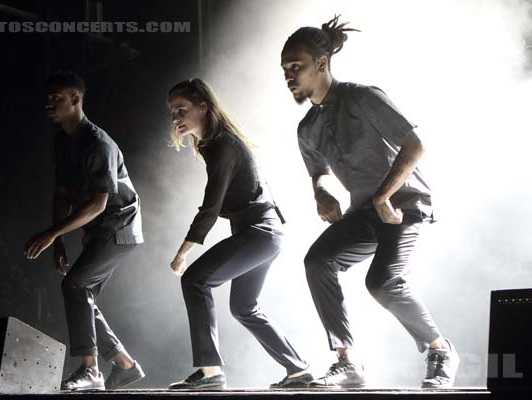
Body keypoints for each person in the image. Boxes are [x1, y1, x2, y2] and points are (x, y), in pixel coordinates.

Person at [280, 16, 459, 389]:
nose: (289, 75)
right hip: (364, 211)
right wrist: (321, 192)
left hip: (404, 206)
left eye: (296, 66)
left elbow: (416, 144)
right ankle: (348, 363)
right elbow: (318, 172)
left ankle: (440, 349)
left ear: (322, 64)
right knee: (318, 261)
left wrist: (383, 195)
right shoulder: (306, 127)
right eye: (284, 69)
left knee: (382, 282)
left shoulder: (363, 97)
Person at [166, 79, 312, 390]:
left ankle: (210, 373)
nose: (176, 118)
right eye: (172, 112)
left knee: (194, 279)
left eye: (182, 109)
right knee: (244, 306)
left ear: (203, 107)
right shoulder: (215, 145)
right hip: (265, 233)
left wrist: (183, 252)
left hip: (260, 232)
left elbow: (210, 207)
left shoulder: (223, 146)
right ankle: (298, 370)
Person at [24, 70, 145, 391]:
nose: (48, 104)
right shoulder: (63, 141)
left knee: (75, 288)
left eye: (56, 98)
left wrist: (50, 234)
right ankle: (124, 365)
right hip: (99, 230)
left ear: (75, 99)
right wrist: (59, 240)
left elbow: (98, 203)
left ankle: (91, 370)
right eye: (47, 98)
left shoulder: (98, 143)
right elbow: (62, 193)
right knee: (82, 295)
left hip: (119, 226)